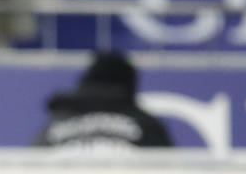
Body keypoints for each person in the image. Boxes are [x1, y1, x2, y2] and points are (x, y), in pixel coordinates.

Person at [33, 50, 173, 150]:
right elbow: (171, 171)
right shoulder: (148, 126)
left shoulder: (55, 123)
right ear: (130, 84)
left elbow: (31, 165)